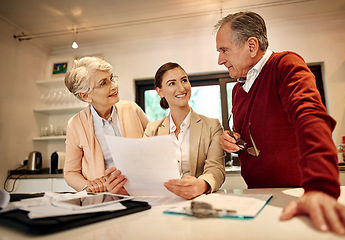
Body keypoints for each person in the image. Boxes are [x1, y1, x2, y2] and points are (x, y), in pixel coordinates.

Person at [214, 11, 345, 235]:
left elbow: (310, 117)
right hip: (257, 196)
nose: (220, 60)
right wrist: (232, 139)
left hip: (299, 193)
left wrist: (320, 188)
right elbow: (251, 133)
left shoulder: (285, 64)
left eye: (224, 50)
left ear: (252, 46)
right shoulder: (237, 89)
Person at [64, 56, 149, 194]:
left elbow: (155, 144)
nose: (114, 86)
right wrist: (88, 186)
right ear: (86, 96)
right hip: (103, 196)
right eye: (104, 83)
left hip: (141, 191)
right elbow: (70, 173)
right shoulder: (75, 124)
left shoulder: (132, 109)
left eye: (112, 78)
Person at [143, 62, 225, 200]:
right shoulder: (152, 130)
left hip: (199, 201)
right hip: (162, 202)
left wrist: (201, 184)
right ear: (160, 91)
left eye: (184, 80)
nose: (181, 88)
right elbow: (143, 168)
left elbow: (216, 169)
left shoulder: (212, 126)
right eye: (171, 83)